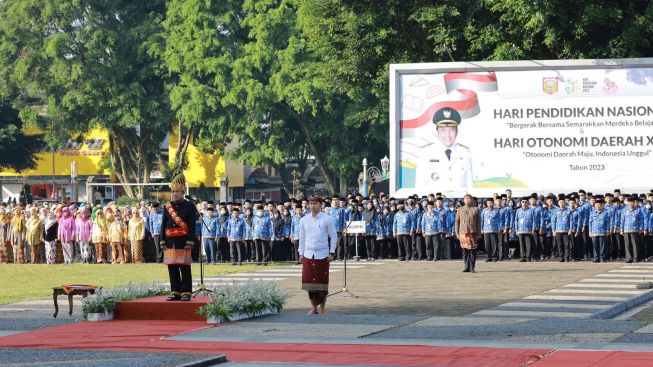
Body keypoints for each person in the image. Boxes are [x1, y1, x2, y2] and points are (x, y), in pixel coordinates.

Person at [415, 107, 473, 191]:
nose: (448, 135)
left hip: (460, 202)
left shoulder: (465, 152)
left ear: (457, 131)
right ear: (436, 132)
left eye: (452, 130)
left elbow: (470, 184)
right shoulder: (425, 153)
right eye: (443, 130)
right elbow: (419, 186)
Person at [160, 172, 197, 301]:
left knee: (184, 266)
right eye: (173, 191)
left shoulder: (190, 206)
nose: (174, 194)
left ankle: (186, 291)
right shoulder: (167, 207)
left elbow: (192, 226)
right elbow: (163, 224)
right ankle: (175, 291)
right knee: (172, 266)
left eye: (177, 192)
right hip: (170, 241)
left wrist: (190, 241)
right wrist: (162, 240)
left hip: (183, 240)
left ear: (182, 192)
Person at [299, 195, 337, 315]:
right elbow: (302, 238)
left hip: (322, 254)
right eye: (311, 203)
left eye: (315, 203)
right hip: (308, 254)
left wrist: (332, 252)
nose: (312, 206)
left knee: (322, 283)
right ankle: (313, 307)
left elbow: (333, 237)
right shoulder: (304, 220)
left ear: (321, 205)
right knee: (309, 283)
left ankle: (322, 308)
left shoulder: (327, 219)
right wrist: (301, 253)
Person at [454, 194, 481, 272]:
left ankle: (472, 267)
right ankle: (466, 266)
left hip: (473, 233)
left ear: (472, 200)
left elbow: (479, 222)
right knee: (465, 251)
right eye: (465, 198)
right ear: (463, 200)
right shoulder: (460, 209)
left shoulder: (476, 209)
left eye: (469, 198)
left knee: (473, 251)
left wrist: (479, 233)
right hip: (463, 233)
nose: (467, 200)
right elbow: (457, 222)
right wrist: (457, 232)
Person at [589, 196, 611, 262]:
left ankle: (602, 257)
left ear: (602, 205)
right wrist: (590, 231)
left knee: (603, 245)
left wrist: (607, 230)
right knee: (595, 245)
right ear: (594, 206)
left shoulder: (606, 212)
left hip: (602, 231)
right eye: (596, 205)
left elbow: (608, 222)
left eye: (599, 205)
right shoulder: (592, 213)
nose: (598, 206)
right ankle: (596, 257)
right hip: (594, 231)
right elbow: (590, 223)